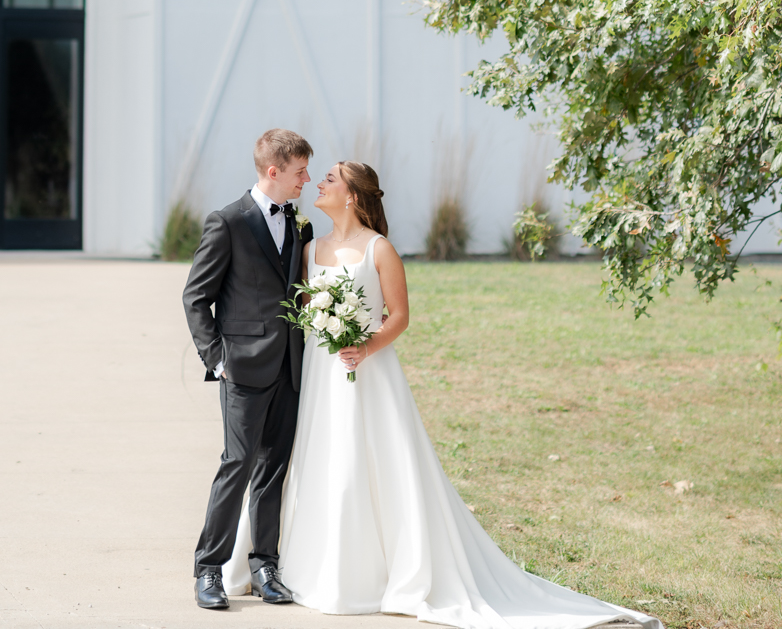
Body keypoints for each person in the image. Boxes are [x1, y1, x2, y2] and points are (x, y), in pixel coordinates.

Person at [223, 160, 662, 629]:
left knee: (364, 466)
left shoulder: (380, 249)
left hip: (368, 374)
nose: (319, 183)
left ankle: (365, 573)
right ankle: (298, 563)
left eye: (330, 178)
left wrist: (365, 345)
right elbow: (305, 309)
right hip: (319, 374)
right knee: (317, 461)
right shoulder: (310, 248)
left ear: (351, 195)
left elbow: (399, 316)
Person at [183, 128, 314, 610]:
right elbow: (196, 296)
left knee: (272, 469)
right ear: (273, 170)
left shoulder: (300, 224)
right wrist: (217, 360)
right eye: (300, 171)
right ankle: (209, 569)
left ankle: (264, 566)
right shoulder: (228, 221)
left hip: (290, 366)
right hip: (241, 367)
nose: (307, 179)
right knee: (236, 465)